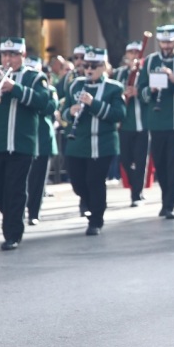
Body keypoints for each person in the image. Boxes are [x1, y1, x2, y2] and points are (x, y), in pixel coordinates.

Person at [0, 37, 50, 250]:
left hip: (21, 143)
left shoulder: (35, 77)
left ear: (22, 56)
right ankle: (15, 214)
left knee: (15, 189)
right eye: (4, 55)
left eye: (13, 55)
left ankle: (12, 234)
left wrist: (15, 88)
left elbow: (45, 103)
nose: (8, 59)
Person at [62, 47, 126, 235]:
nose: (89, 69)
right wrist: (70, 112)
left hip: (102, 145)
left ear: (104, 66)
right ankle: (90, 205)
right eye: (86, 65)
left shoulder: (114, 87)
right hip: (77, 143)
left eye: (94, 66)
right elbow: (64, 110)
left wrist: (93, 103)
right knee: (78, 183)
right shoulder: (75, 85)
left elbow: (119, 114)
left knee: (95, 181)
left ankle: (96, 220)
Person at [139, 24, 174, 219]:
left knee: (173, 164)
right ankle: (165, 199)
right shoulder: (151, 60)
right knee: (160, 164)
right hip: (156, 121)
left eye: (170, 41)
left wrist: (172, 78)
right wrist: (151, 90)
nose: (166, 45)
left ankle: (171, 204)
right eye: (163, 41)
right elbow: (141, 91)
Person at [115, 40, 149, 207]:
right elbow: (113, 92)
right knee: (126, 159)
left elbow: (151, 93)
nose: (134, 56)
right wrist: (124, 92)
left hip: (142, 124)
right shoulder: (120, 73)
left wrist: (138, 92)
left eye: (137, 52)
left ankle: (137, 192)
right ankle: (134, 187)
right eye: (131, 53)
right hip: (125, 124)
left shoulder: (145, 73)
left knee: (141, 160)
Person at [25, 56, 58, 225]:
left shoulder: (49, 89)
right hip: (24, 140)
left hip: (43, 139)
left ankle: (34, 212)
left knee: (38, 181)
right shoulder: (19, 89)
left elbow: (50, 107)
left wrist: (32, 99)